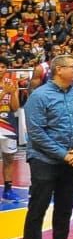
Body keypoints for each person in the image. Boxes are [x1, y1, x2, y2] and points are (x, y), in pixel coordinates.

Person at [19, 55, 73, 239]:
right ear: (59, 69)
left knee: (65, 206)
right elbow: (36, 133)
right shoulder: (39, 96)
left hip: (72, 159)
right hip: (44, 160)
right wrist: (63, 154)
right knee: (38, 206)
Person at [1, 66, 21, 201]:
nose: (0, 69)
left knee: (9, 158)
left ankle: (8, 190)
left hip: (8, 124)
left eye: (2, 67)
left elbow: (15, 107)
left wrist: (13, 93)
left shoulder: (11, 83)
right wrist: (4, 93)